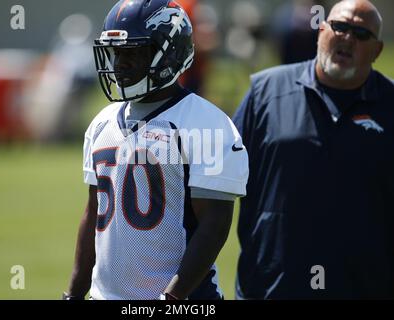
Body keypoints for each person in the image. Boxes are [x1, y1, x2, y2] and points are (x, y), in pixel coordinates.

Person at [65, 0, 248, 300]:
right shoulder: (102, 123)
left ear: (169, 53)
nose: (119, 64)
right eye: (116, 53)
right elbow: (94, 215)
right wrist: (73, 294)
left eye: (132, 53)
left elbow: (214, 225)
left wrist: (172, 298)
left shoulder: (207, 123)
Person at [233, 0, 393, 299]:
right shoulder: (265, 93)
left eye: (361, 34)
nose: (347, 38)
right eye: (340, 27)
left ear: (377, 50)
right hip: (270, 289)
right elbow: (217, 187)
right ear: (321, 31)